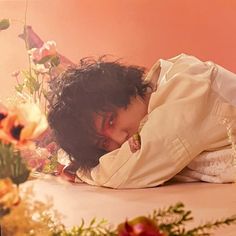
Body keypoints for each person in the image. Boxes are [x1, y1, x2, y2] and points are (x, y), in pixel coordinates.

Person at [48, 53, 236, 188]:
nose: (119, 138)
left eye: (111, 121)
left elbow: (121, 173)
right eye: (104, 143)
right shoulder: (153, 104)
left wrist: (82, 171)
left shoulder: (185, 85)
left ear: (124, 91)